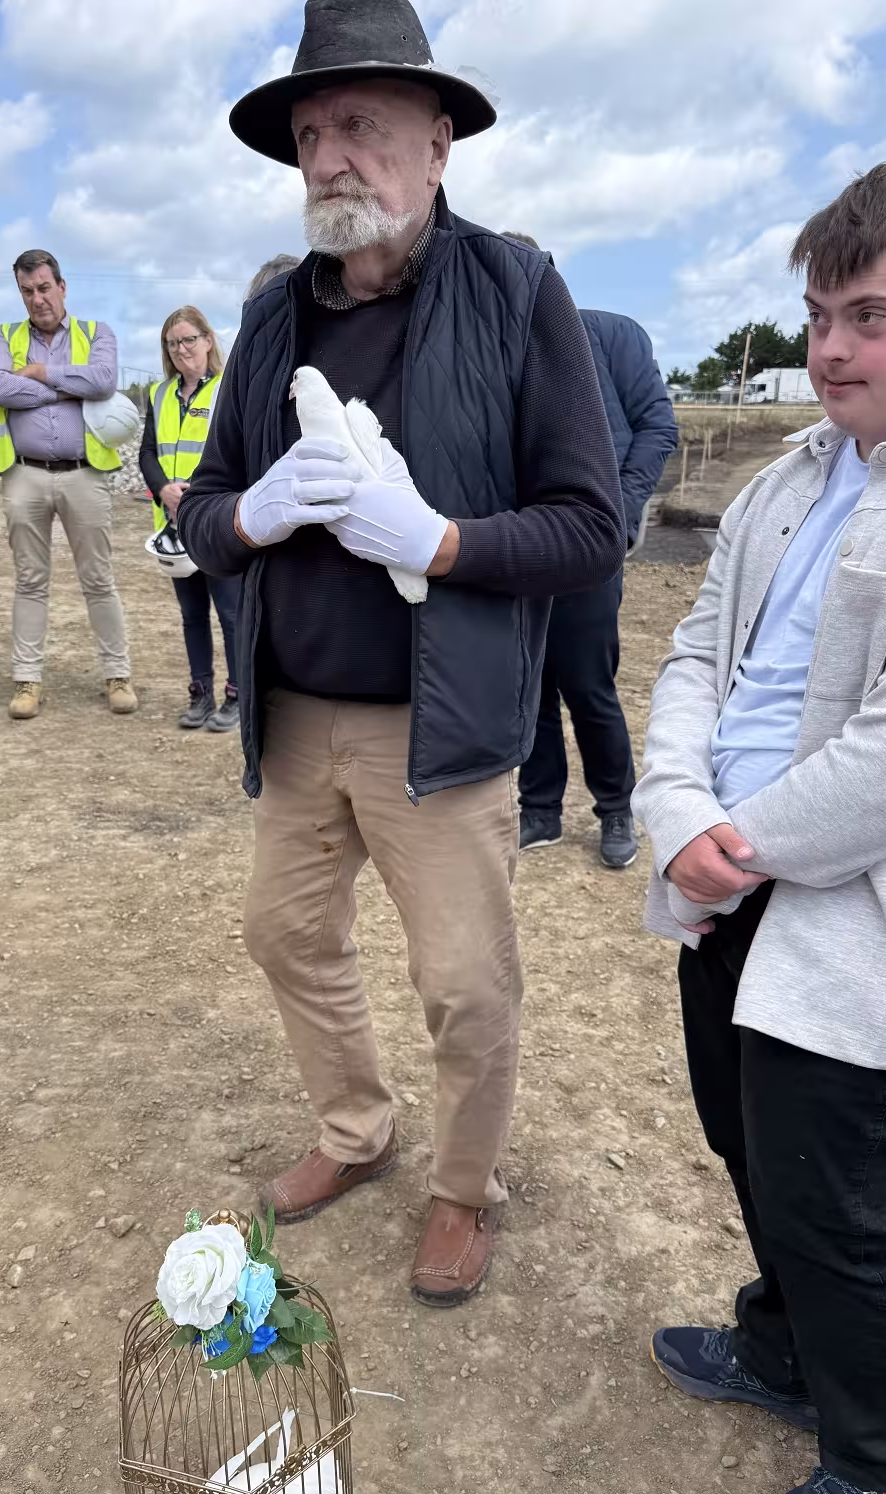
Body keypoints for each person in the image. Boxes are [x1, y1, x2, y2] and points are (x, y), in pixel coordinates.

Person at [180, 0, 624, 1306]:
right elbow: (204, 509)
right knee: (283, 934)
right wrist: (250, 518)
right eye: (310, 133)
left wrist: (442, 541)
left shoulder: (516, 291)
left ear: (438, 143)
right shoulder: (273, 317)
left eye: (361, 125)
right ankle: (357, 1129)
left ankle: (463, 1188)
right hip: (297, 716)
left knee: (466, 986)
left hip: (443, 724)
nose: (329, 156)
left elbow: (590, 524)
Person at [632, 155, 886, 1494]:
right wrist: (673, 809)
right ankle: (781, 1348)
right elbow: (695, 655)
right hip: (725, 891)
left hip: (855, 921)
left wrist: (737, 844)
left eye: (872, 315)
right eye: (822, 315)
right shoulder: (787, 479)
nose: (830, 348)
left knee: (837, 1199)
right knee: (747, 1142)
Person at [502, 236, 679, 867]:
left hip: (586, 545)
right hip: (520, 545)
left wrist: (618, 512)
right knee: (530, 681)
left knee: (588, 683)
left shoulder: (611, 335)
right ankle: (540, 807)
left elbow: (657, 424)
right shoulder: (493, 351)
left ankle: (615, 808)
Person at [0, 248, 136, 719]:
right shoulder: (3, 336)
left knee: (99, 579)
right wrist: (68, 388)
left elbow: (104, 381)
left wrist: (40, 373)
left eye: (45, 288)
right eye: (27, 291)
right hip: (24, 475)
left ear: (62, 287)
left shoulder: (97, 333)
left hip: (84, 474)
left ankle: (118, 675)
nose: (37, 298)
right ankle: (27, 680)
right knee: (30, 581)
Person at [139, 307, 239, 731]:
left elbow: (238, 452)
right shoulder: (160, 394)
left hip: (215, 522)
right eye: (172, 343)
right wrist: (163, 489)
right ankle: (201, 693)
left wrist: (196, 492)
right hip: (175, 527)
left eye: (188, 340)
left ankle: (238, 694)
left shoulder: (228, 389)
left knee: (231, 614)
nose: (181, 350)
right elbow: (147, 452)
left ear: (208, 340)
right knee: (192, 614)